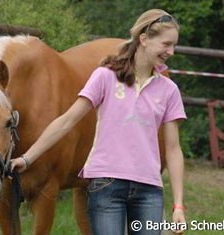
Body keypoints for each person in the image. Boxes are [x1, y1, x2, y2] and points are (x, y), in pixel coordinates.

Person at [11, 9, 186, 235]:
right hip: (107, 187)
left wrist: (178, 205)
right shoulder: (105, 76)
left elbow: (173, 149)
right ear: (144, 39)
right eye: (166, 44)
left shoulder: (168, 90)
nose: (171, 52)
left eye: (174, 46)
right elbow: (67, 121)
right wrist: (27, 158)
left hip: (149, 190)